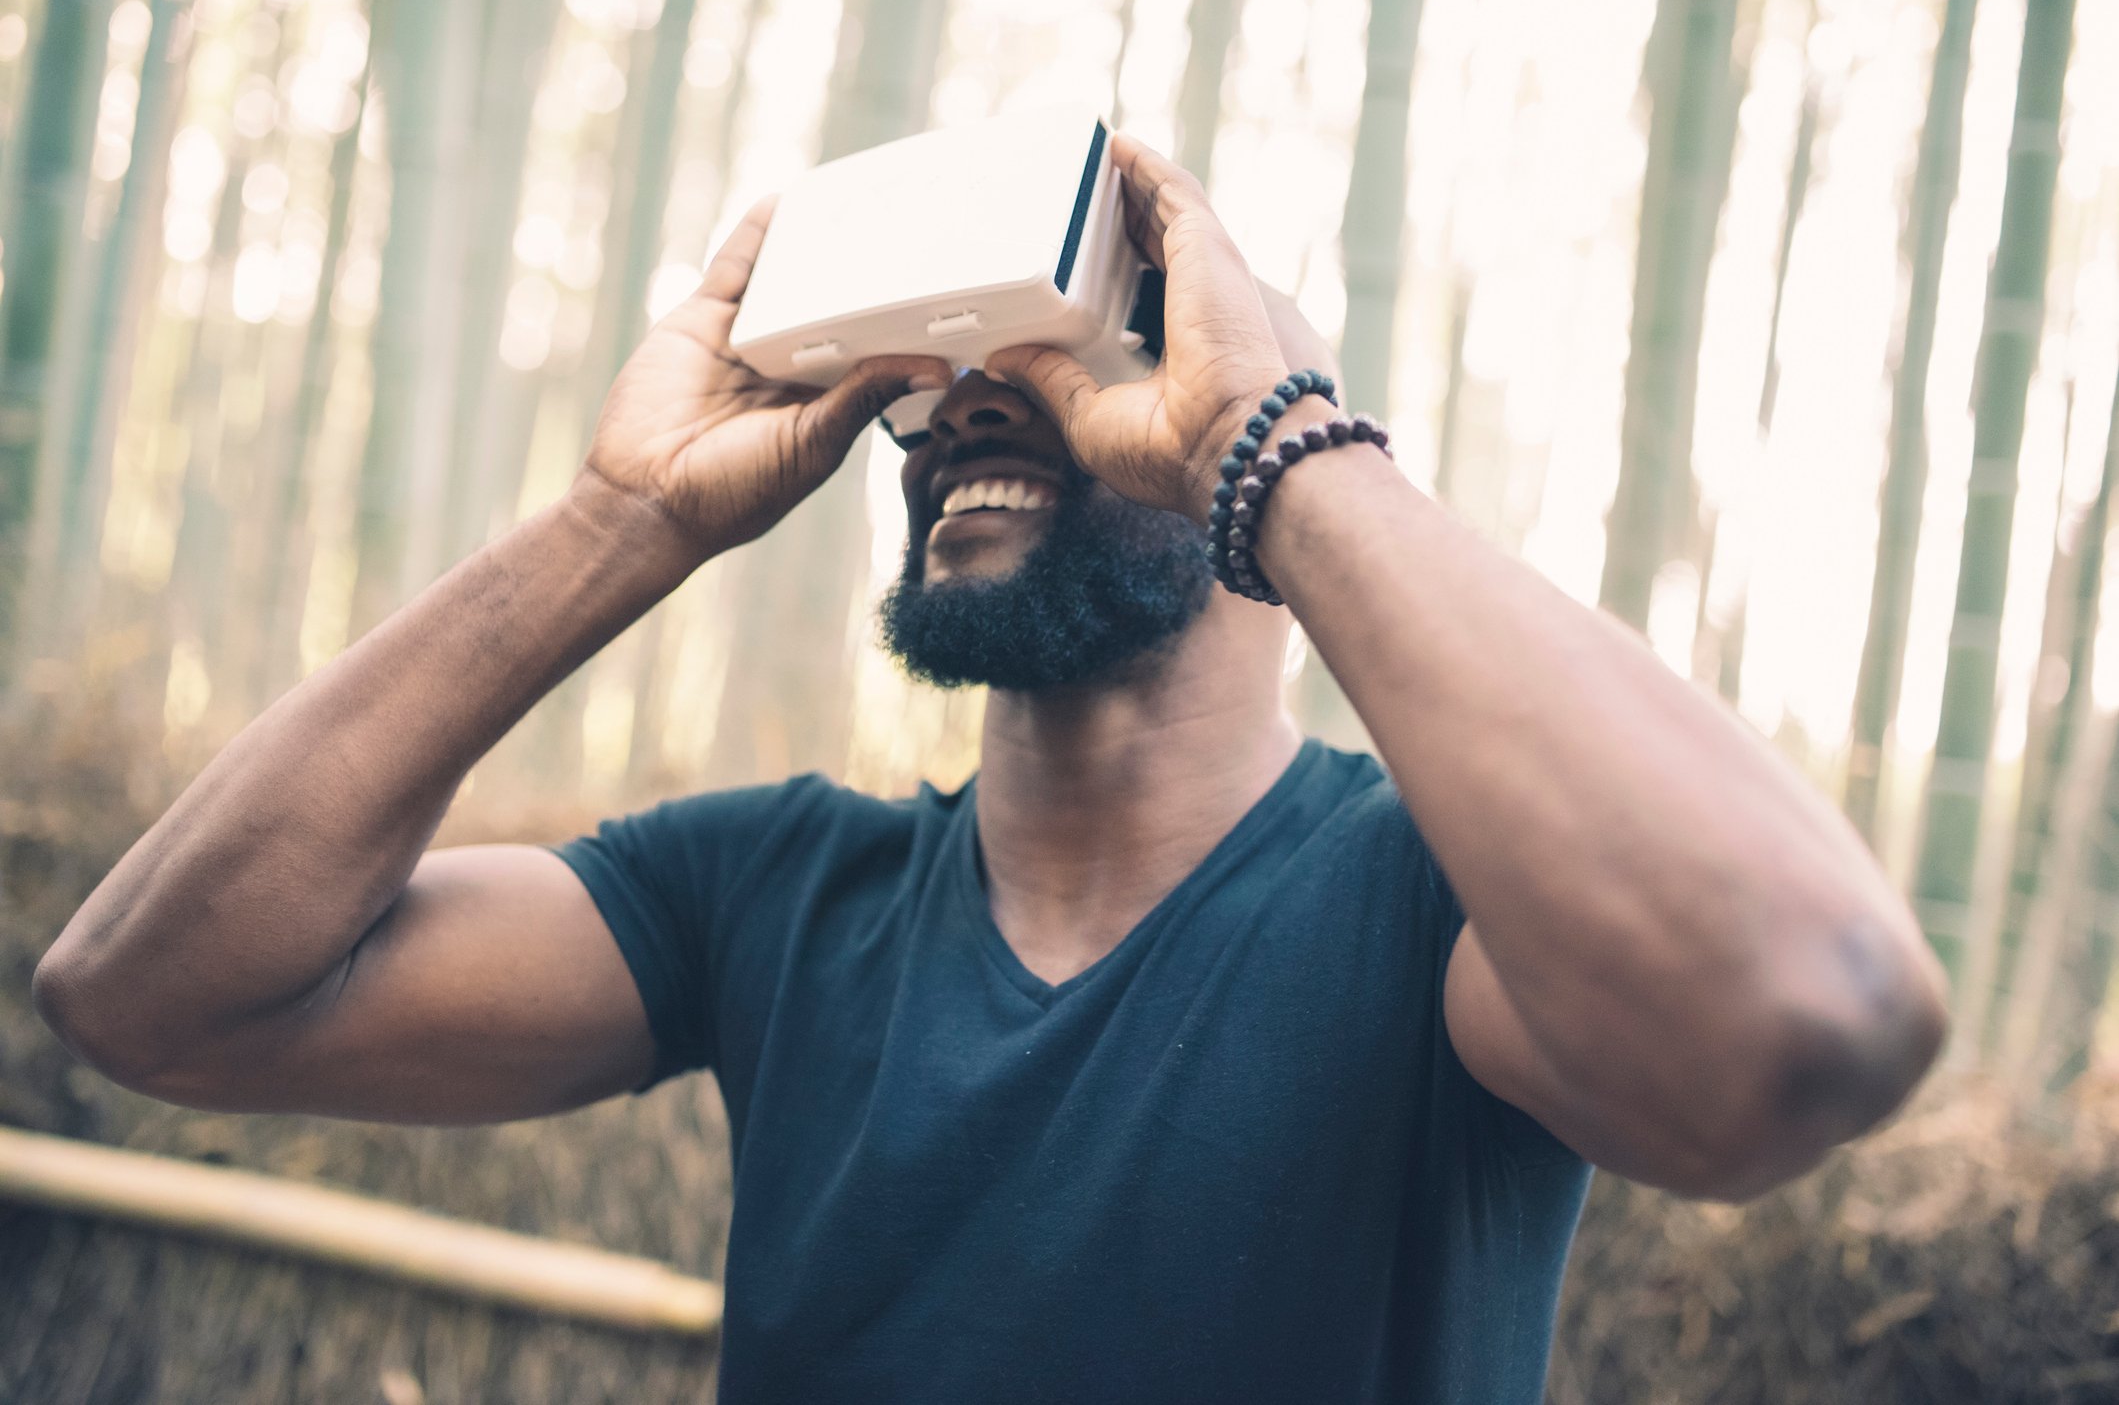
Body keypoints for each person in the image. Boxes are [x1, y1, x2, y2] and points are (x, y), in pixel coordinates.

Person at [35, 132, 1947, 1403]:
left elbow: (1800, 1018)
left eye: (1069, 353)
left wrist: (1277, 448)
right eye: (942, 378)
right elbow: (153, 997)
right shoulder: (775, 895)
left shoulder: (1440, 907)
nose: (969, 401)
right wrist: (624, 520)